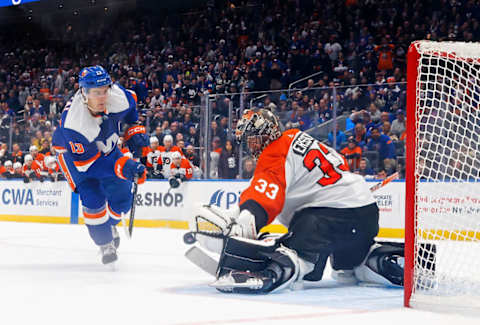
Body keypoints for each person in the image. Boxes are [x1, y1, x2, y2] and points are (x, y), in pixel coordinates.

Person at [190, 109, 403, 294]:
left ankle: (277, 270)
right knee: (348, 268)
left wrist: (244, 223)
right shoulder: (299, 138)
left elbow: (263, 196)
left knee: (297, 254)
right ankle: (376, 261)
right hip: (366, 215)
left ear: (268, 134)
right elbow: (340, 168)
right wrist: (236, 212)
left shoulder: (274, 150)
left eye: (253, 138)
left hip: (325, 220)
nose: (250, 145)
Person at [52, 66, 148, 265]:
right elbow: (89, 166)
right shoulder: (74, 124)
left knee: (122, 194)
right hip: (73, 156)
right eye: (96, 92)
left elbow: (131, 107)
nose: (103, 97)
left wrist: (134, 128)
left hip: (106, 144)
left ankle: (112, 225)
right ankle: (105, 243)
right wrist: (123, 166)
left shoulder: (117, 96)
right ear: (83, 92)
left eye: (105, 89)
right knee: (93, 198)